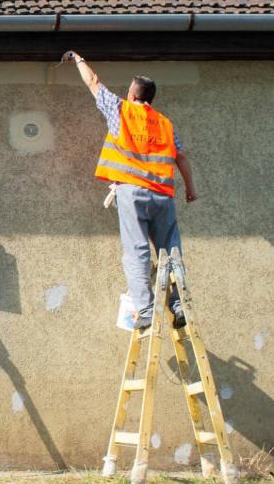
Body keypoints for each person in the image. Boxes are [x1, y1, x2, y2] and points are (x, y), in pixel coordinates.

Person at [65, 51, 198, 330]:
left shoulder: (121, 109)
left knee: (136, 251)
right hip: (162, 195)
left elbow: (93, 82)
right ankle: (177, 303)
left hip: (132, 194)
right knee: (170, 250)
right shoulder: (165, 123)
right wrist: (190, 189)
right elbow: (181, 158)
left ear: (133, 94)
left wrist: (77, 59)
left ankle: (146, 310)